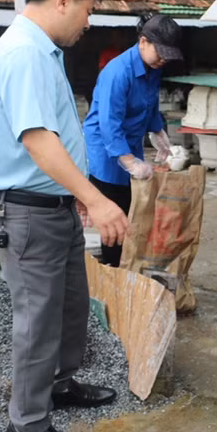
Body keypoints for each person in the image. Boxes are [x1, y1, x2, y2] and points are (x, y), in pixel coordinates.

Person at [0, 0, 129, 432]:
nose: (89, 22)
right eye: (89, 10)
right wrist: (100, 199)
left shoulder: (41, 50)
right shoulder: (24, 53)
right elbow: (38, 141)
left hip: (54, 207)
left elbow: (60, 139)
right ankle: (26, 427)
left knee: (68, 309)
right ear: (64, 0)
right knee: (37, 322)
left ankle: (60, 386)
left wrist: (77, 197)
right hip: (25, 214)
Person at [83, 13, 180, 267]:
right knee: (115, 213)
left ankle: (128, 264)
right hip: (106, 149)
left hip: (131, 141)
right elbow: (109, 125)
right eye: (160, 52)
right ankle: (114, 269)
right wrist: (129, 161)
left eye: (168, 55)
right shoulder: (117, 72)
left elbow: (151, 102)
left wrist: (157, 131)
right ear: (143, 42)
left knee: (133, 206)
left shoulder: (153, 67)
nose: (163, 59)